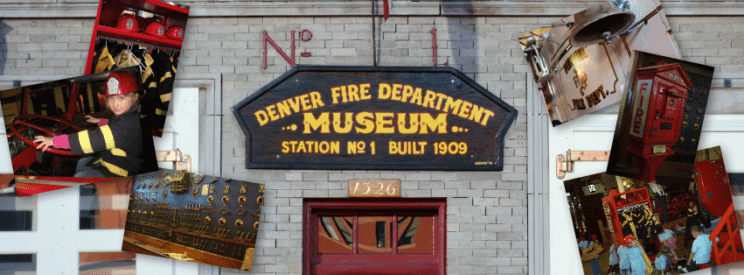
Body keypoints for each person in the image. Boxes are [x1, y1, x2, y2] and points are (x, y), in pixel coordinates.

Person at [33, 71, 144, 178]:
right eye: (111, 98)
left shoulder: (126, 123)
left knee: (80, 177)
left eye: (121, 98)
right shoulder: (129, 116)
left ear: (135, 96)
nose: (115, 104)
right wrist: (99, 121)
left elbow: (93, 140)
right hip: (115, 159)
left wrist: (55, 141)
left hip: (122, 170)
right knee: (82, 162)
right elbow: (114, 127)